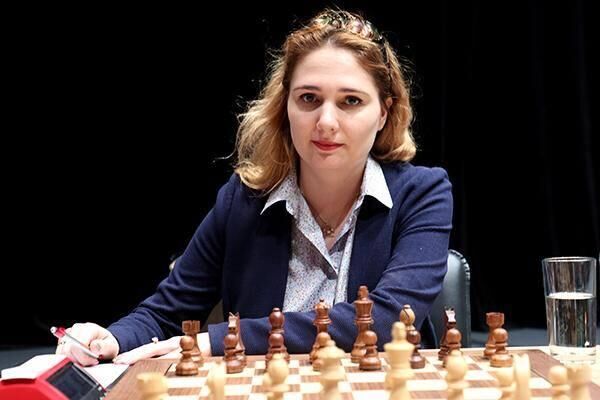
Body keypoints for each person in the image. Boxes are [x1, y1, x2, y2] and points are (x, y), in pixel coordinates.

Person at [56, 9, 453, 367]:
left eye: (351, 101)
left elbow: (385, 321)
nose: (326, 122)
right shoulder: (242, 200)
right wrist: (110, 339)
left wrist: (223, 340)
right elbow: (165, 314)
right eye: (309, 98)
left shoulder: (423, 194)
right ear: (286, 106)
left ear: (383, 112)